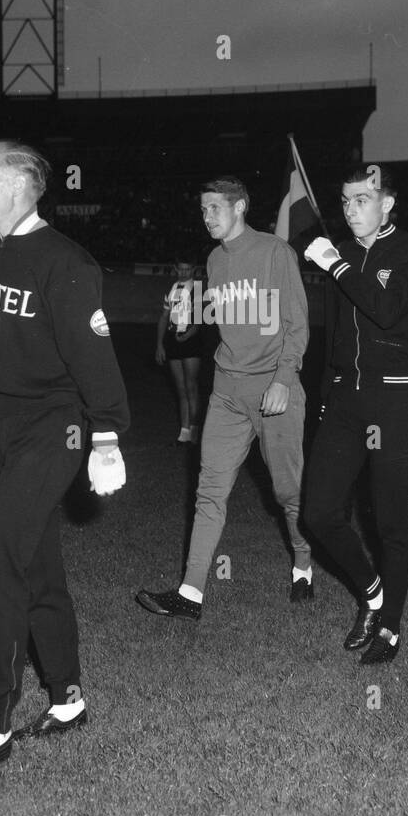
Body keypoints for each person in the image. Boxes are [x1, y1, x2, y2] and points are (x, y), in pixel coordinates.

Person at [0, 140, 130, 776]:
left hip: (54, 426)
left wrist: (108, 436)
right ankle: (67, 699)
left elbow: (95, 359)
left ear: (16, 186)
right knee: (36, 569)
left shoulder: (66, 262)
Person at [135, 176, 313, 617]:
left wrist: (282, 380)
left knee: (287, 492)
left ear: (240, 208)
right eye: (202, 209)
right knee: (209, 490)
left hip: (275, 392)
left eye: (214, 208)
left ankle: (304, 564)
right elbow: (224, 315)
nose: (206, 216)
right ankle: (190, 593)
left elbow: (297, 324)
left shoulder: (275, 252)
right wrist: (187, 316)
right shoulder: (214, 260)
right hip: (227, 394)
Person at [302, 166, 408, 665]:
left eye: (362, 199)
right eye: (346, 200)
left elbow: (387, 311)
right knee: (319, 511)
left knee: (390, 523)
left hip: (393, 398)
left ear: (387, 204)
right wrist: (325, 398)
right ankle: (371, 591)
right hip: (345, 400)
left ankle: (391, 626)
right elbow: (336, 334)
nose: (351, 209)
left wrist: (334, 265)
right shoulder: (345, 254)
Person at [154, 259, 204, 444]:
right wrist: (160, 344)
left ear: (194, 269)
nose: (184, 273)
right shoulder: (172, 288)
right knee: (180, 388)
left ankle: (194, 429)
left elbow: (198, 321)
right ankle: (184, 431)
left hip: (190, 341)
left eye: (188, 269)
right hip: (173, 341)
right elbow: (164, 317)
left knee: (191, 386)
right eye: (181, 269)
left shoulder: (197, 289)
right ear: (175, 269)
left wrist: (187, 335)